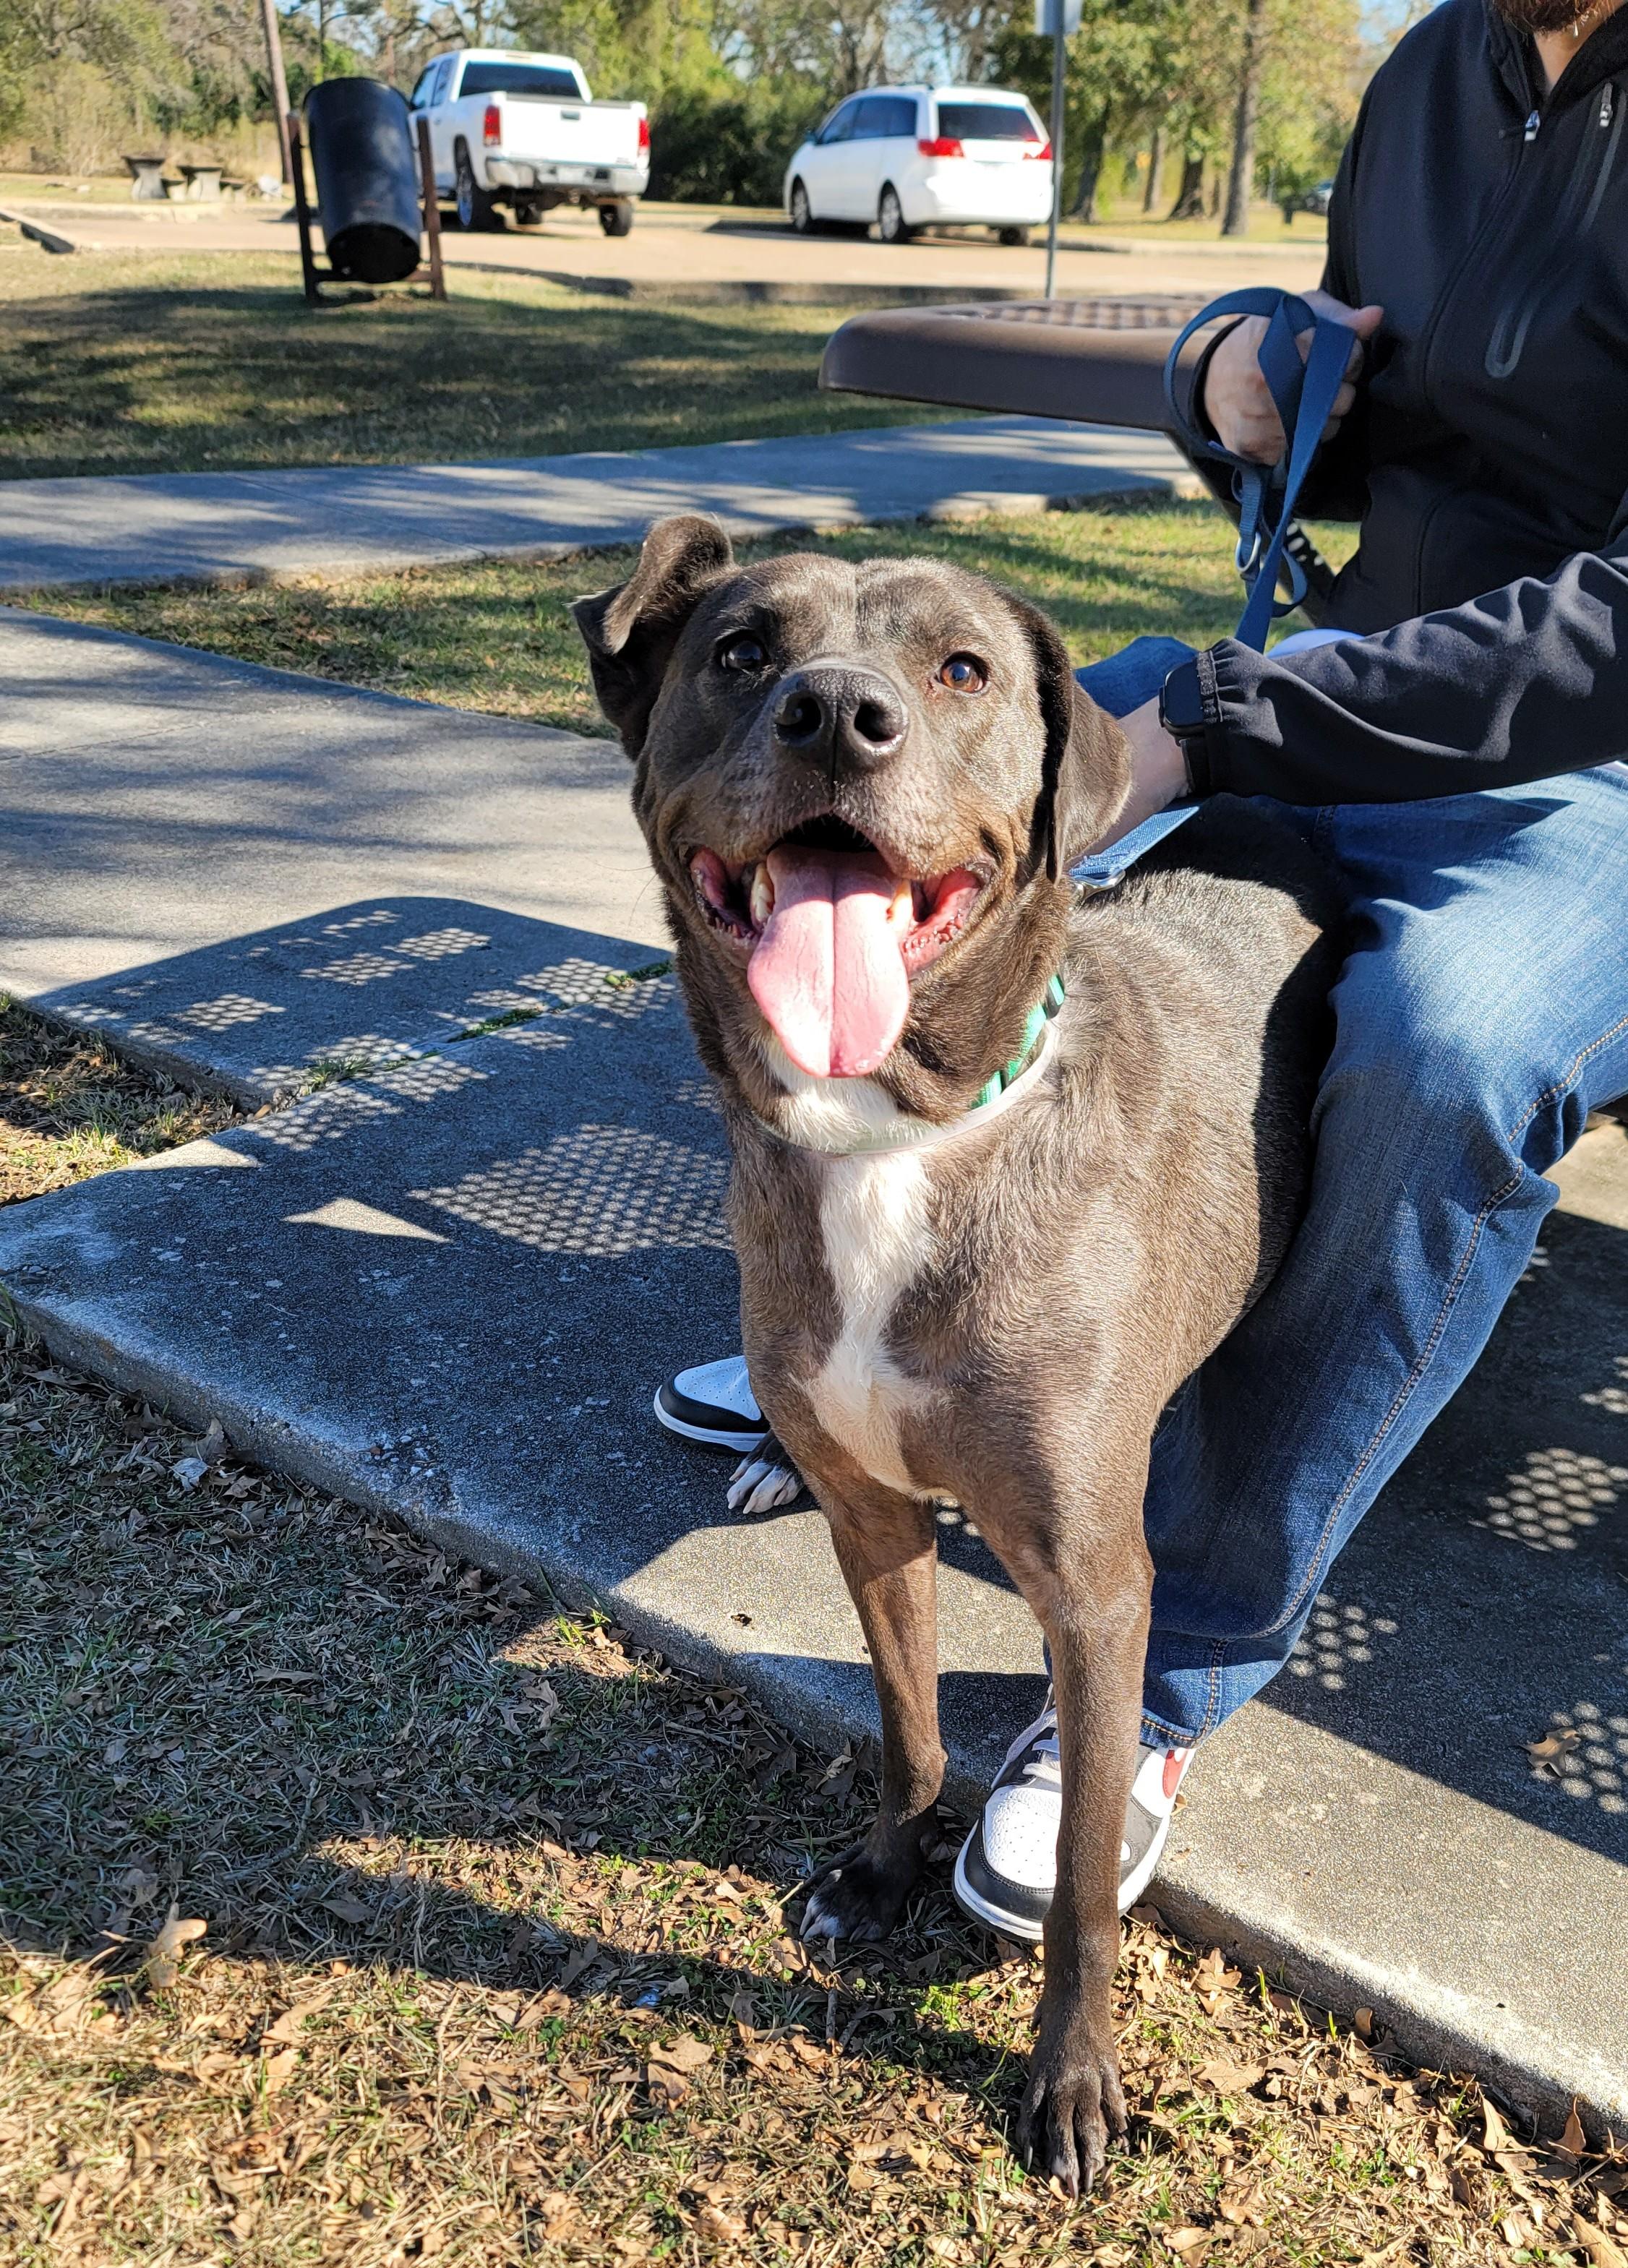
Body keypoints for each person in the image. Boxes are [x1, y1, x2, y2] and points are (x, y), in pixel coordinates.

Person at [656, 0, 1628, 1937]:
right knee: (891, 832)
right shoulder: (1434, 77)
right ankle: (867, 1369)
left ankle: (1172, 1663)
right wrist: (1237, 380)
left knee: (1437, 1055)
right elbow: (1378, 449)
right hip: (1344, 690)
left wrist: (1231, 724)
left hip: (1584, 775)